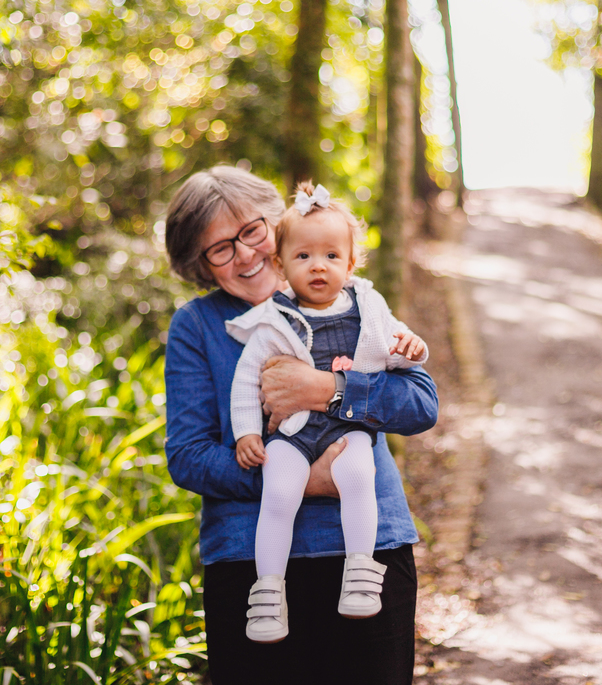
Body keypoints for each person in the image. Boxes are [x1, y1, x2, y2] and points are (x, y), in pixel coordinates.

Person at [163, 165, 438, 685]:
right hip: (248, 559)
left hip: (369, 550)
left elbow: (421, 404)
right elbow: (189, 456)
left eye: (251, 232)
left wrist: (327, 390)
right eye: (220, 248)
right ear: (200, 263)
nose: (245, 254)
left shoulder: (356, 300)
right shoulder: (197, 326)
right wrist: (300, 480)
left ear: (279, 227)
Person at [224, 182, 428, 643]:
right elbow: (244, 382)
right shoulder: (273, 321)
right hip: (293, 433)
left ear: (351, 263)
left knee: (359, 476)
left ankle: (360, 573)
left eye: (332, 256)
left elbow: (402, 356)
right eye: (303, 257)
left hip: (348, 427)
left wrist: (415, 348)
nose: (318, 265)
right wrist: (245, 435)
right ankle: (268, 594)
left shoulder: (370, 310)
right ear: (280, 266)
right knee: (277, 493)